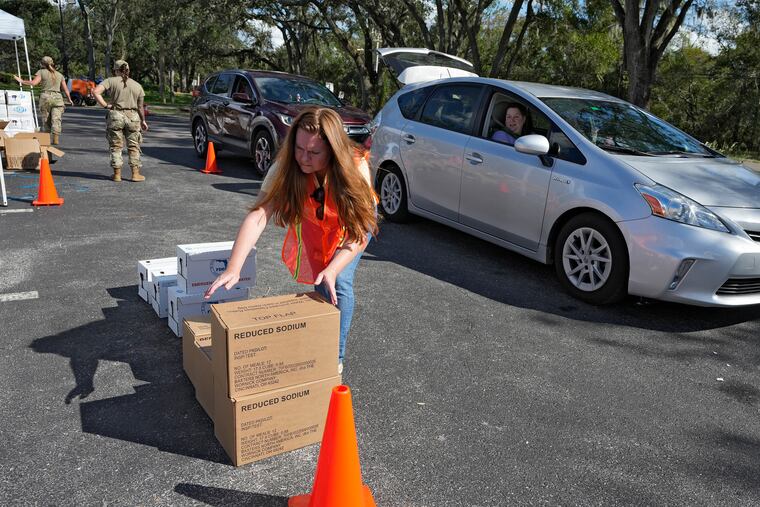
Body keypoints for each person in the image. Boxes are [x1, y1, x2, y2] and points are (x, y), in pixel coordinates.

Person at [204, 107, 378, 373]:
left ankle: (335, 357)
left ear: (332, 150)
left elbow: (359, 231)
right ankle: (322, 331)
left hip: (353, 221)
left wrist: (333, 269)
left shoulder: (355, 167)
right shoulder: (286, 167)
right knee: (321, 278)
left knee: (338, 280)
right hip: (318, 217)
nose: (303, 158)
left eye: (314, 152)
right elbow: (259, 215)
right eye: (299, 148)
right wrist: (233, 267)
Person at [92, 60, 148, 182]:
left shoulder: (110, 81)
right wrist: (143, 121)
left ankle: (117, 175)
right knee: (134, 146)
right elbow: (140, 107)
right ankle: (135, 174)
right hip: (133, 117)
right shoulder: (137, 85)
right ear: (128, 70)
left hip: (116, 115)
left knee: (116, 146)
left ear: (116, 70)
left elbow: (95, 92)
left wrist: (106, 105)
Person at [13, 56, 73, 145]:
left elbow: (33, 83)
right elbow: (66, 90)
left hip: (45, 97)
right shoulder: (60, 75)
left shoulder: (41, 72)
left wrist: (21, 81)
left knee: (46, 120)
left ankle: (47, 139)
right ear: (52, 63)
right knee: (56, 118)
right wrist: (69, 99)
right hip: (58, 98)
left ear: (42, 64)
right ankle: (56, 138)